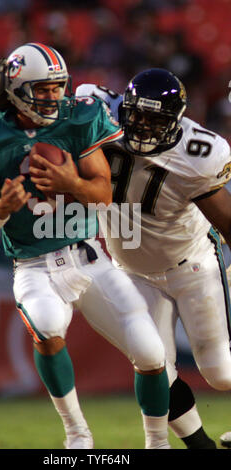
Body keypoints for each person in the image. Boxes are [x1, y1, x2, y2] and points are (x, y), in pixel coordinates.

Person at [0, 44, 171, 450]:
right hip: (34, 266)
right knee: (47, 328)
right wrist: (1, 208)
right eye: (43, 89)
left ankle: (158, 443)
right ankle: (77, 435)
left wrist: (72, 185)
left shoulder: (81, 117)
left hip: (91, 257)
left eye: (57, 87)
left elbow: (102, 194)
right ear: (16, 88)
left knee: (152, 355)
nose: (53, 97)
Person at [76, 70, 231, 449]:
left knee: (220, 373)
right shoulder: (98, 113)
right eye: (137, 117)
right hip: (131, 270)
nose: (142, 127)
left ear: (177, 120)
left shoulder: (200, 154)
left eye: (155, 120)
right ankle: (201, 446)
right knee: (155, 367)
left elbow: (226, 220)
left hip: (191, 264)